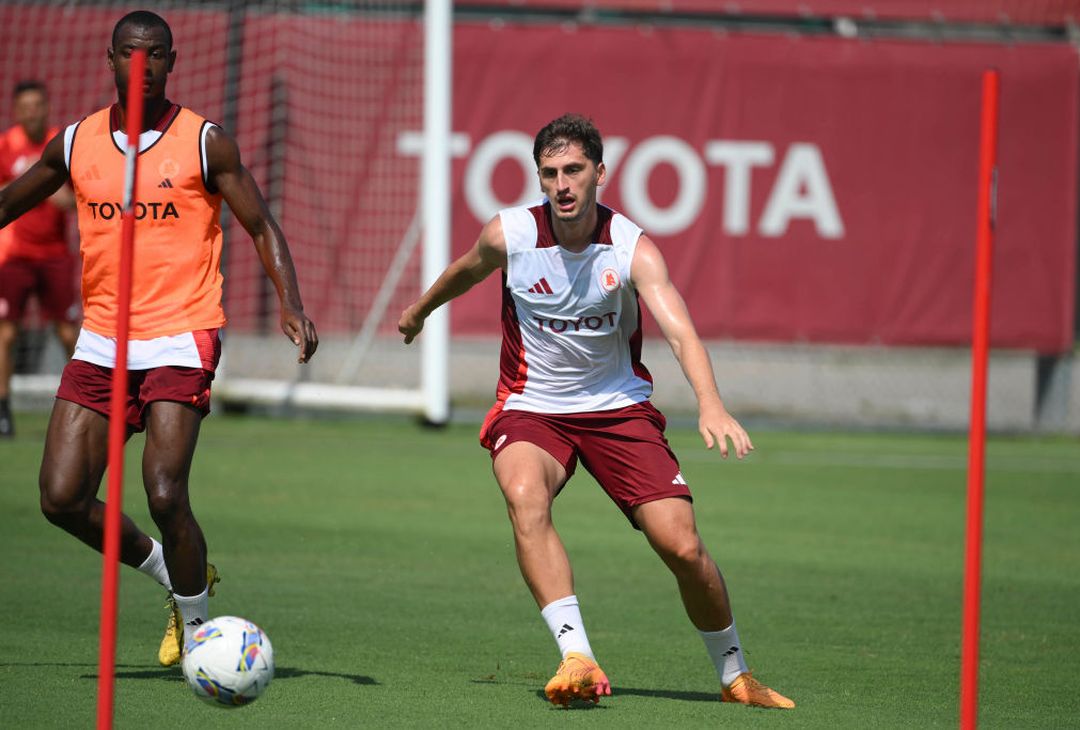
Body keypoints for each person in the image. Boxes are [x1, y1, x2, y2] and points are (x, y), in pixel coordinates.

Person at [399, 114, 793, 710]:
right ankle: (576, 656)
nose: (562, 184)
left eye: (574, 170)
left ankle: (736, 673)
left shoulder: (632, 248)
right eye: (550, 172)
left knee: (682, 546)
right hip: (531, 408)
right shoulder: (510, 235)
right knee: (525, 497)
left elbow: (682, 333)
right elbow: (465, 271)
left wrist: (711, 404)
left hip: (618, 410)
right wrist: (420, 311)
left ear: (600, 174)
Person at [0, 11, 318, 668]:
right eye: (128, 54)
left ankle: (201, 631)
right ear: (109, 58)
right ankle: (169, 575)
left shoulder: (205, 141)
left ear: (172, 62)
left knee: (165, 491)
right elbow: (8, 202)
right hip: (102, 343)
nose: (141, 67)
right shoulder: (77, 140)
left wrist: (291, 303)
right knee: (60, 498)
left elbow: (259, 225)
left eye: (155, 56)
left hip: (181, 334)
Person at [0, 80, 78, 438]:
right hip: (13, 255)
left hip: (55, 255)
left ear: (47, 107)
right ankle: (3, 411)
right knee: (6, 333)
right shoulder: (6, 146)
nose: (31, 112)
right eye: (25, 106)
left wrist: (45, 184)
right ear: (16, 110)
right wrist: (22, 178)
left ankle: (87, 403)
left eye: (37, 105)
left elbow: (75, 199)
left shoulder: (61, 145)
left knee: (68, 332)